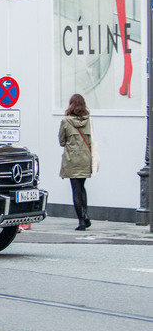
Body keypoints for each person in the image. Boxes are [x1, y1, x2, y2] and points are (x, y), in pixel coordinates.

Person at [59, 94, 93, 231]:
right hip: (85, 157)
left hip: (71, 159)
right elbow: (91, 139)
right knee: (82, 188)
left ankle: (81, 222)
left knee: (75, 190)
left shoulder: (66, 121)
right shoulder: (88, 120)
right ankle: (86, 215)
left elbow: (61, 141)